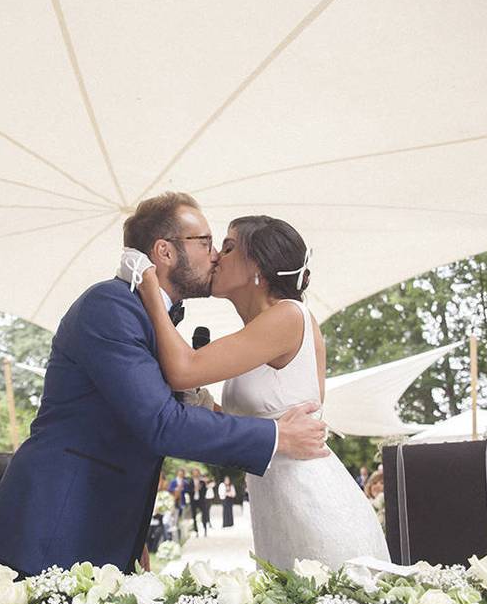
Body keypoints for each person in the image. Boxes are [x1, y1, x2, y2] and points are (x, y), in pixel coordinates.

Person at [0, 192, 328, 576]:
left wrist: (130, 534)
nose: (214, 256)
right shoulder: (109, 305)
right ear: (164, 251)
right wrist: (276, 437)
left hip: (98, 528)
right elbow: (162, 424)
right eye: (206, 243)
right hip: (52, 530)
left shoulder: (149, 315)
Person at [134, 213, 390, 569]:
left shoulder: (288, 317)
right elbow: (248, 422)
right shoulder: (257, 332)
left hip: (312, 501)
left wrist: (150, 291)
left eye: (227, 247)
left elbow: (183, 370)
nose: (215, 257)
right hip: (276, 505)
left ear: (259, 265)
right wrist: (206, 404)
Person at [190, 468, 209, 536]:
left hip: (201, 501)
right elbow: (188, 491)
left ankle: (205, 529)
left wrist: (200, 489)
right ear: (192, 474)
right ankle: (196, 531)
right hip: (193, 501)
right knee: (194, 516)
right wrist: (194, 489)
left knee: (204, 515)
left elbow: (205, 492)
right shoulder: (190, 481)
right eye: (194, 473)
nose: (196, 474)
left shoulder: (202, 482)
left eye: (197, 473)